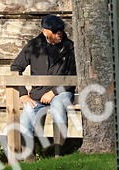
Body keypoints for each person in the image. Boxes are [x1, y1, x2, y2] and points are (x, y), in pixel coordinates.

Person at [10, 14, 76, 157]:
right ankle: (29, 159)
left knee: (58, 105)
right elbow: (16, 67)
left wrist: (53, 92)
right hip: (37, 95)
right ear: (44, 31)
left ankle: (59, 155)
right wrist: (23, 94)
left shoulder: (69, 47)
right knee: (25, 120)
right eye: (55, 31)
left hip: (61, 92)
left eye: (61, 30)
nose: (59, 33)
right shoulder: (33, 46)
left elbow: (72, 75)